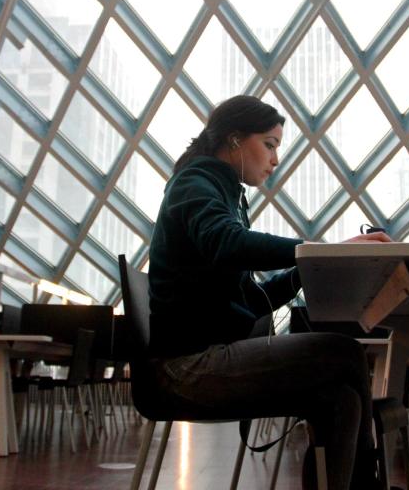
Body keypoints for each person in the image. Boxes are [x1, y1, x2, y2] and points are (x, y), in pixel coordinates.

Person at [147, 95, 393, 489]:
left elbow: (251, 299)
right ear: (233, 139)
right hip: (186, 368)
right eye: (269, 144)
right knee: (343, 351)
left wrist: (306, 269)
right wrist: (321, 252)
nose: (275, 159)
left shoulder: (221, 192)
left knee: (341, 401)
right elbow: (226, 242)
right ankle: (369, 484)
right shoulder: (194, 184)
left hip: (206, 355)